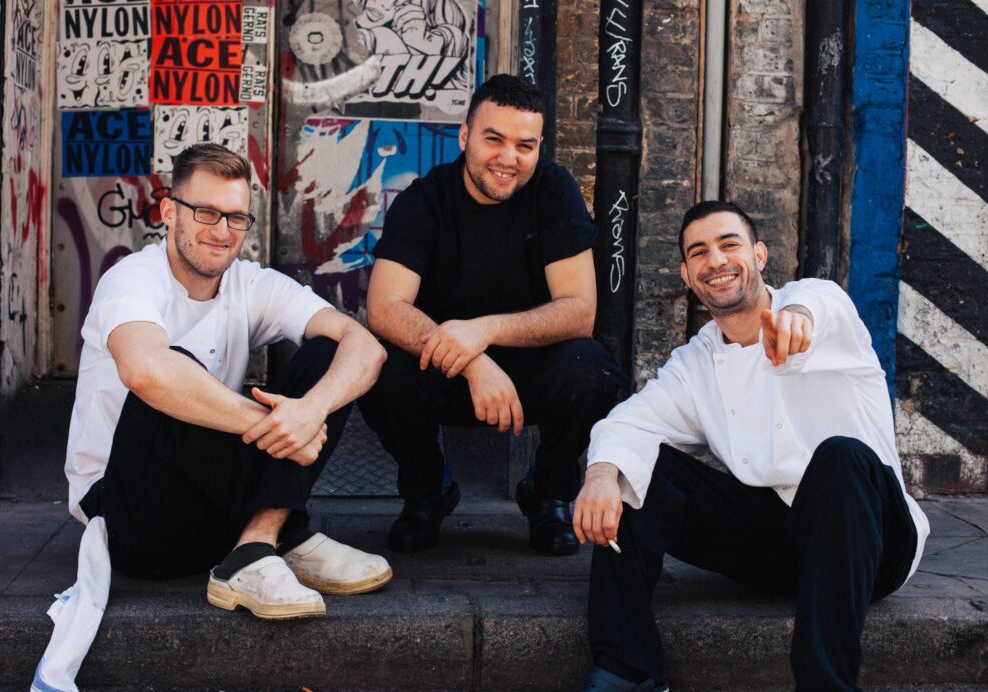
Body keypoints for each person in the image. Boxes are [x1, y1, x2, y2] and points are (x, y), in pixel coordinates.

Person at [572, 201, 930, 691]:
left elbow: (816, 304)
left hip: (873, 542)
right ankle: (625, 668)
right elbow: (630, 422)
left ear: (759, 255)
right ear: (687, 274)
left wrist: (798, 317)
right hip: (781, 544)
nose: (715, 261)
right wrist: (600, 476)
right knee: (634, 465)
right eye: (699, 252)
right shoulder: (697, 361)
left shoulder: (819, 307)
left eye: (729, 244)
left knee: (840, 457)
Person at [65, 143, 391, 619]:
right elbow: (145, 370)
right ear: (169, 213)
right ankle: (287, 534)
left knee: (329, 354)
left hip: (213, 510)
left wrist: (310, 411)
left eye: (236, 218)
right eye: (205, 213)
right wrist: (277, 424)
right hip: (130, 519)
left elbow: (366, 347)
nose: (222, 231)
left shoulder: (249, 284)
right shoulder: (132, 279)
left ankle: (260, 543)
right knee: (168, 375)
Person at [358, 73, 626, 556]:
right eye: (494, 139)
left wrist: (483, 332)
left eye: (525, 145)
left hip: (531, 372)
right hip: (443, 369)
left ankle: (549, 492)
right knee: (374, 365)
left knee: (593, 370)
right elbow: (383, 307)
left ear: (540, 146)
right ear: (464, 137)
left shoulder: (553, 192)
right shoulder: (425, 200)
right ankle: (427, 490)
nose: (508, 158)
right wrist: (473, 360)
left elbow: (579, 311)